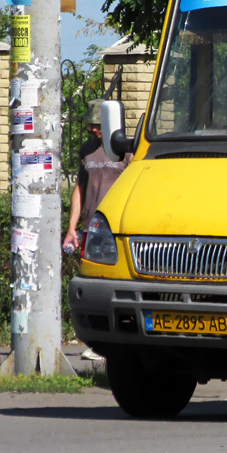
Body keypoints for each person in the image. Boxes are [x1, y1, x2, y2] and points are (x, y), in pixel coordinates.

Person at [63, 100, 131, 358]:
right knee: (91, 285)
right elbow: (79, 190)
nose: (94, 131)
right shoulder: (86, 151)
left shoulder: (127, 152)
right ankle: (97, 343)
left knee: (114, 285)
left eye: (98, 126)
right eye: (91, 126)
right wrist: (72, 228)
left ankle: (113, 344)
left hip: (114, 230)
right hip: (90, 230)